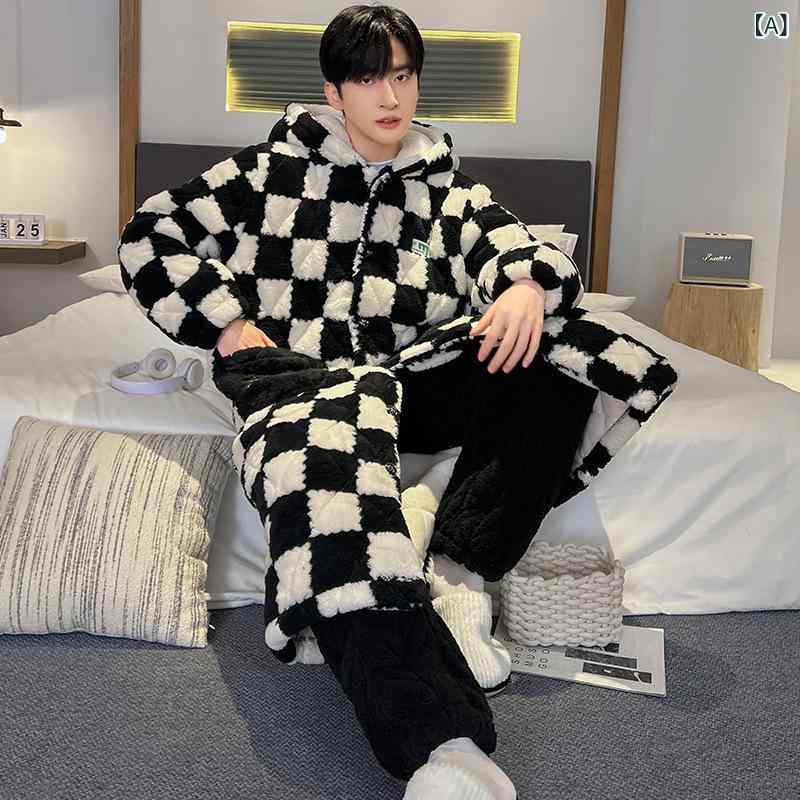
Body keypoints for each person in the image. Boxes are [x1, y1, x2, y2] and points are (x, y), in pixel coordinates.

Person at [117, 6, 627, 798]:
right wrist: (229, 324)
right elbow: (150, 237)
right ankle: (444, 746)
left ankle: (454, 565)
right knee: (329, 497)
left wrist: (526, 286)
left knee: (573, 351)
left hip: (412, 379)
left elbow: (514, 246)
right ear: (334, 90)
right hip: (302, 381)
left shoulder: (445, 186)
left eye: (402, 75)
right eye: (367, 78)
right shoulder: (265, 174)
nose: (390, 96)